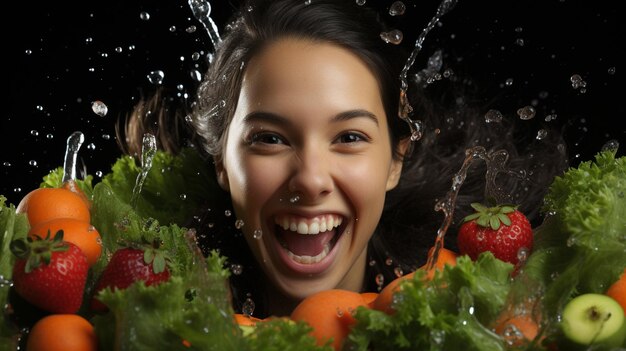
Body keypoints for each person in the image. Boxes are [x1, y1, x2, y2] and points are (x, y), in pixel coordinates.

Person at [118, 0, 567, 318]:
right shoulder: (147, 306)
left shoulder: (481, 309)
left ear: (395, 160)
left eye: (349, 136)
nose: (311, 180)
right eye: (271, 139)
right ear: (221, 162)